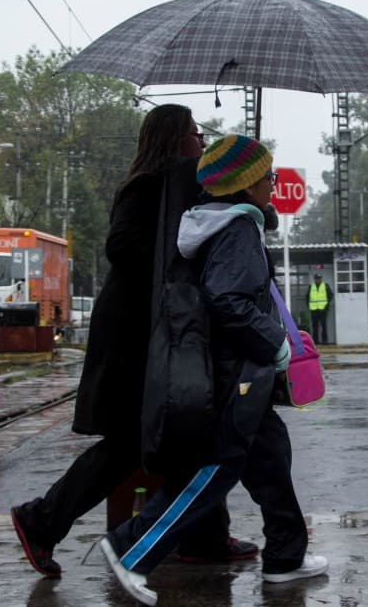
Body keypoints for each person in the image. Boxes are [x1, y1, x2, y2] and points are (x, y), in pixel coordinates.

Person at [9, 106, 257, 580]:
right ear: (173, 138)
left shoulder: (176, 186)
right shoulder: (148, 187)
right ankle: (41, 519)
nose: (201, 141)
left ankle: (202, 537)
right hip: (133, 339)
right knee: (131, 442)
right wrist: (183, 255)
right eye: (193, 133)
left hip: (154, 335)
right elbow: (122, 245)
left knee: (183, 433)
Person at [99, 135, 328, 606]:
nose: (274, 182)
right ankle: (129, 549)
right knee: (215, 469)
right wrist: (275, 345)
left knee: (270, 459)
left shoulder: (223, 224)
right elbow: (228, 299)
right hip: (239, 374)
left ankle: (286, 556)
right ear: (247, 184)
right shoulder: (237, 231)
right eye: (269, 175)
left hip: (245, 372)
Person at [308, 272, 333, 344]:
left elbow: (330, 296)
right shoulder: (311, 286)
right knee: (315, 326)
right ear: (314, 279)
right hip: (314, 310)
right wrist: (309, 306)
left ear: (321, 279)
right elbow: (307, 298)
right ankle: (315, 342)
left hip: (323, 310)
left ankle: (325, 341)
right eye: (317, 279)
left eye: (319, 278)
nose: (318, 280)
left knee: (323, 326)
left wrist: (326, 305)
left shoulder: (325, 286)